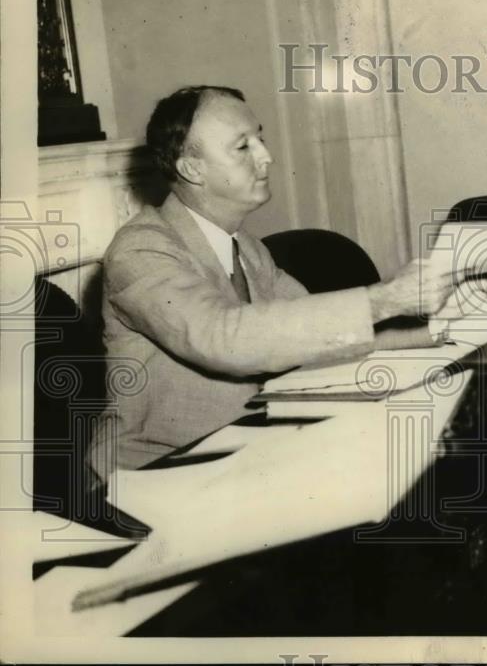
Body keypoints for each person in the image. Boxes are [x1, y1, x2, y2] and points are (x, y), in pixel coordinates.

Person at [88, 86, 455, 478]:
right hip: (153, 473)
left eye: (259, 138)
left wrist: (444, 325)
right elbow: (221, 337)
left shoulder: (247, 248)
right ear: (191, 168)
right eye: (243, 147)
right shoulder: (140, 250)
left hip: (235, 453)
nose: (267, 156)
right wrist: (386, 299)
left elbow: (320, 341)